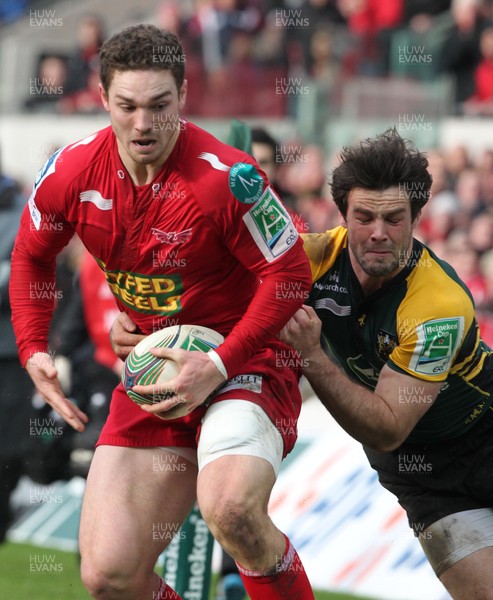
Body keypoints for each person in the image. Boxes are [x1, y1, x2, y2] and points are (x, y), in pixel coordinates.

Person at [9, 24, 314, 600]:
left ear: (184, 94)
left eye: (159, 105)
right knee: (109, 577)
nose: (143, 124)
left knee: (231, 511)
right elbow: (31, 256)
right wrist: (34, 347)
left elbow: (290, 275)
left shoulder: (229, 179)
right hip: (156, 374)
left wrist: (219, 364)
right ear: (102, 99)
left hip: (243, 365)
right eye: (127, 107)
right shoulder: (71, 173)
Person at [281, 129, 493, 599]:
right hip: (424, 476)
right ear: (343, 216)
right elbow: (219, 296)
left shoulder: (438, 302)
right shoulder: (309, 261)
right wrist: (146, 328)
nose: (378, 232)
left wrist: (312, 356)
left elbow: (388, 425)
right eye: (365, 216)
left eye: (394, 218)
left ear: (417, 218)